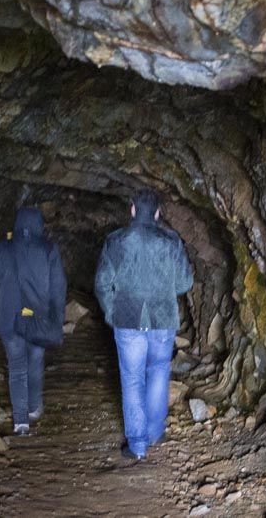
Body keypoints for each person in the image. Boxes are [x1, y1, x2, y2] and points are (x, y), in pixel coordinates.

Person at [94, 189, 194, 460]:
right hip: (163, 320)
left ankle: (137, 445)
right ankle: (155, 432)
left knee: (132, 378)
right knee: (159, 371)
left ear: (133, 210)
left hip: (127, 319)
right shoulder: (171, 240)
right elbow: (185, 283)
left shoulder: (116, 241)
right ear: (159, 213)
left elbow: (102, 283)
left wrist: (110, 312)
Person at [0, 207, 67, 435]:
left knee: (16, 366)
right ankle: (33, 407)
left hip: (8, 316)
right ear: (39, 225)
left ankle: (21, 422)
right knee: (35, 360)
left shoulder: (0, 247)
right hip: (37, 317)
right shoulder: (48, 249)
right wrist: (57, 318)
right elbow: (58, 288)